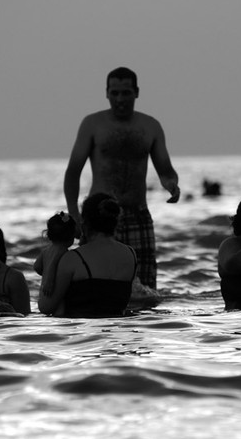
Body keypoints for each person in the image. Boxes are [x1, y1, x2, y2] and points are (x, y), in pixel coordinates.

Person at [63, 67, 180, 290]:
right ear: (107, 93)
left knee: (144, 288)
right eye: (114, 93)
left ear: (136, 92)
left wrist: (171, 185)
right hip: (99, 216)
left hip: (138, 214)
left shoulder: (150, 126)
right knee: (95, 283)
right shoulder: (93, 124)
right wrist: (74, 213)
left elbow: (165, 170)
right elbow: (73, 172)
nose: (120, 99)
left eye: (125, 92)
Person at [38, 193, 137, 318]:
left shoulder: (73, 259)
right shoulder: (131, 254)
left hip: (83, 332)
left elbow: (45, 307)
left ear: (84, 222)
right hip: (118, 332)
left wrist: (50, 260)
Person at [34, 211, 77, 298]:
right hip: (53, 295)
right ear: (71, 236)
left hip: (43, 296)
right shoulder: (63, 251)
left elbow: (37, 267)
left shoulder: (45, 251)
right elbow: (54, 262)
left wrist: (45, 272)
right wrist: (50, 278)